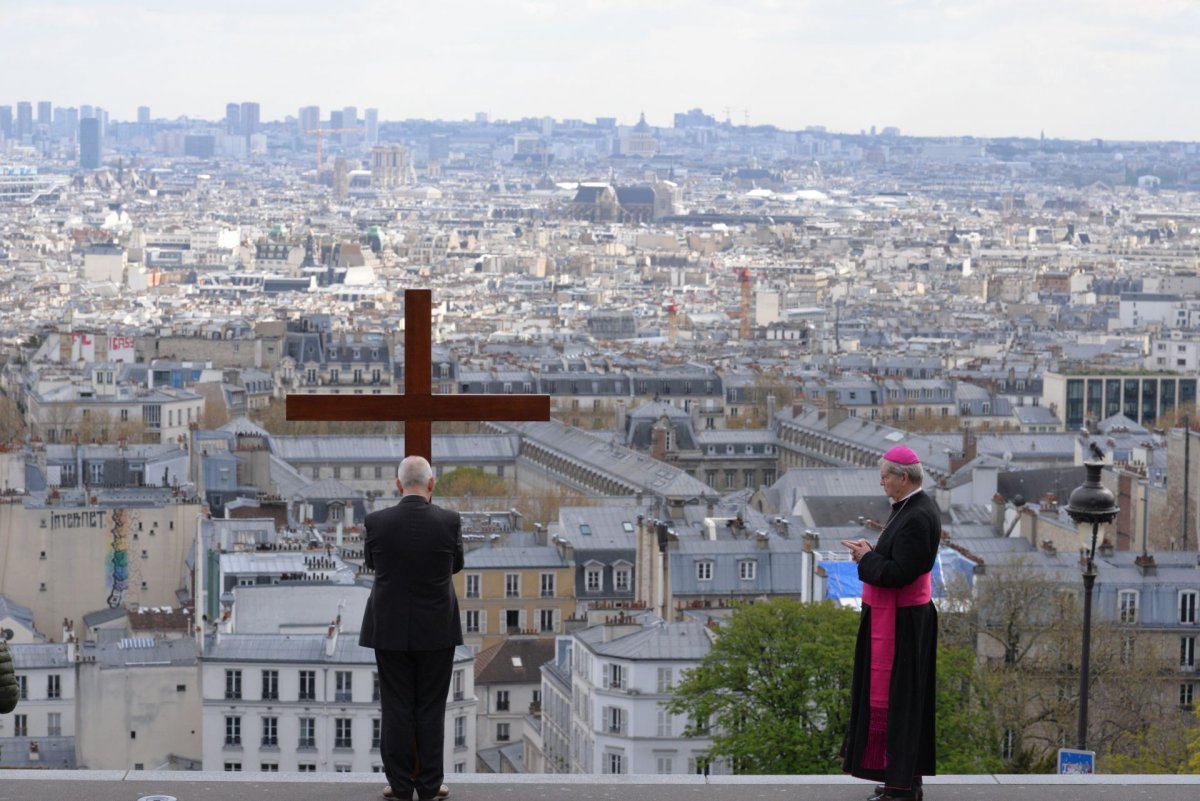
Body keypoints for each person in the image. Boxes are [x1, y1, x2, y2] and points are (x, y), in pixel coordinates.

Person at [840, 445, 940, 801]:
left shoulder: (915, 516)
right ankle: (905, 779)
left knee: (901, 702)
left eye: (885, 476)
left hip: (903, 622)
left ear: (903, 477)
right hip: (903, 617)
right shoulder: (910, 508)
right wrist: (871, 551)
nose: (881, 482)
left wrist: (866, 560)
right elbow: (897, 558)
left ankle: (900, 788)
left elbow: (899, 574)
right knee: (907, 701)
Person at [361, 456, 463, 801]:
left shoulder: (376, 522)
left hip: (389, 629)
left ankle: (401, 785)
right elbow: (457, 565)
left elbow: (372, 562)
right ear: (432, 484)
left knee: (396, 707)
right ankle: (431, 785)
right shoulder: (449, 522)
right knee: (431, 710)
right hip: (436, 630)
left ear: (398, 484)